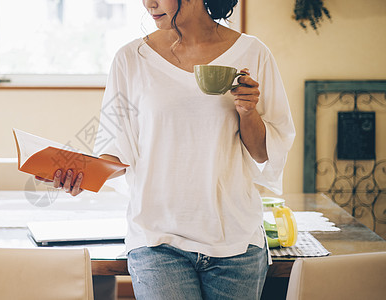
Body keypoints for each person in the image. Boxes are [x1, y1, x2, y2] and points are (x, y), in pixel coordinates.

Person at [43, 0, 295, 299]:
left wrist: (248, 111)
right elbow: (117, 149)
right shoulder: (131, 58)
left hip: (236, 240)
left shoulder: (253, 52)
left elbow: (263, 153)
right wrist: (81, 174)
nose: (149, 3)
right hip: (157, 239)